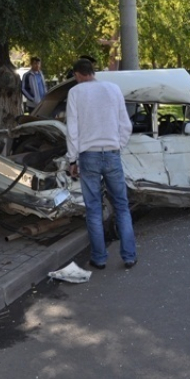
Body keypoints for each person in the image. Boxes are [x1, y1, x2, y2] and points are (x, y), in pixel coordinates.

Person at [66, 58, 137, 270]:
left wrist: (72, 159)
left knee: (94, 208)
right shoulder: (113, 89)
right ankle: (129, 256)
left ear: (78, 74)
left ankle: (99, 258)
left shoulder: (75, 93)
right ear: (93, 71)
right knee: (122, 206)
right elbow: (126, 125)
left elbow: (72, 129)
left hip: (89, 155)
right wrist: (117, 146)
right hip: (112, 153)